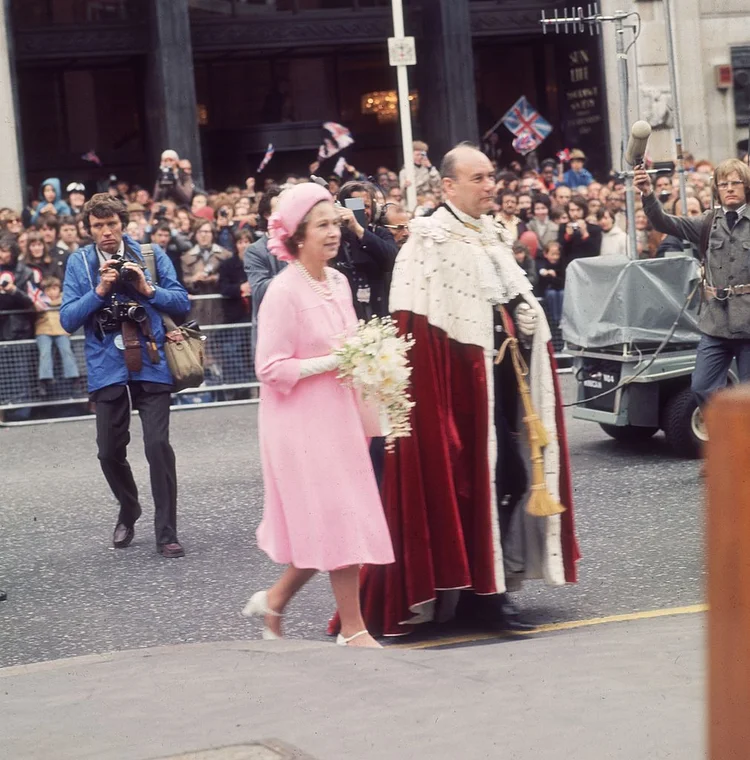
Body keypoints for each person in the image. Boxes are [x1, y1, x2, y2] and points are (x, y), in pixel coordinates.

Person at [349, 143, 580, 638]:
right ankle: (482, 599)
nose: (490, 185)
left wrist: (526, 319)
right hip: (457, 397)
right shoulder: (427, 241)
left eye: (491, 176)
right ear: (448, 186)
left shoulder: (492, 236)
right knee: (476, 485)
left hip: (501, 388)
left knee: (512, 478)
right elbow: (413, 324)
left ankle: (490, 587)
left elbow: (511, 303)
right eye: (478, 178)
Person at [242, 182, 394, 648]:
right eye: (322, 224)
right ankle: (353, 629)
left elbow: (353, 348)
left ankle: (273, 602)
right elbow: (269, 368)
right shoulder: (283, 291)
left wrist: (380, 392)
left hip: (339, 415)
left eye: (335, 222)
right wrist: (333, 362)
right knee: (338, 516)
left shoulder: (340, 282)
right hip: (298, 423)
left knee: (326, 521)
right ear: (297, 235)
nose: (333, 232)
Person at [59, 193, 190, 557]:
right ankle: (129, 506)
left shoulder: (149, 254)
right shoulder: (79, 263)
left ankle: (167, 531)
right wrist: (100, 290)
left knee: (157, 446)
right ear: (89, 229)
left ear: (123, 224)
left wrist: (147, 289)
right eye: (98, 226)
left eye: (111, 224)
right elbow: (68, 319)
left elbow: (182, 301)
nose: (105, 232)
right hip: (106, 365)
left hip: (151, 359)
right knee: (107, 452)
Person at [635, 159, 750, 408]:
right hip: (716, 323)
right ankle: (729, 425)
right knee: (701, 386)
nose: (729, 188)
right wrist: (647, 192)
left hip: (749, 325)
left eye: (735, 183)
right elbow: (665, 222)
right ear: (716, 190)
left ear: (747, 187)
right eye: (723, 184)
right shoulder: (709, 222)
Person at [332, 181, 398, 321]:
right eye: (356, 206)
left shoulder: (380, 234)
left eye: (366, 206)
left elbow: (393, 260)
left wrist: (359, 230)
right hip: (346, 317)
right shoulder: (334, 239)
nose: (362, 211)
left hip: (378, 315)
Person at [244, 186, 285, 362]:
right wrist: (296, 266)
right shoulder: (255, 251)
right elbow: (259, 289)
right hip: (275, 335)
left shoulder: (304, 243)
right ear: (267, 215)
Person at [34, 276, 80, 395]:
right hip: (44, 330)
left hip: (61, 331)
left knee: (67, 352)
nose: (52, 292)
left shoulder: (65, 300)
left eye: (54, 289)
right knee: (45, 353)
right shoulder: (40, 302)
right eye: (48, 290)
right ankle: (45, 379)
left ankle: (73, 377)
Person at [181, 220, 231, 327]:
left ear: (213, 234)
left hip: (219, 305)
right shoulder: (186, 257)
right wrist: (194, 279)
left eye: (207, 232)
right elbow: (184, 280)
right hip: (197, 306)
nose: (203, 235)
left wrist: (216, 278)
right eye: (200, 232)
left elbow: (231, 278)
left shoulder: (225, 255)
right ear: (195, 235)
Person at [559, 195, 602, 263]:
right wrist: (567, 236)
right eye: (572, 210)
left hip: (587, 265)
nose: (575, 213)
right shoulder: (563, 227)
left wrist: (585, 234)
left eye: (578, 210)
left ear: (584, 210)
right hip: (569, 265)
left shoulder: (595, 229)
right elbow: (561, 251)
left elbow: (595, 252)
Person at [536, 240, 565, 325]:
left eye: (557, 254)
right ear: (545, 254)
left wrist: (554, 277)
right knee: (551, 294)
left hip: (559, 288)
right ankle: (556, 319)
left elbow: (561, 280)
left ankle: (561, 319)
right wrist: (547, 273)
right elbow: (541, 270)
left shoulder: (561, 264)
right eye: (553, 254)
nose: (555, 257)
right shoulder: (542, 262)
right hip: (547, 289)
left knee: (562, 294)